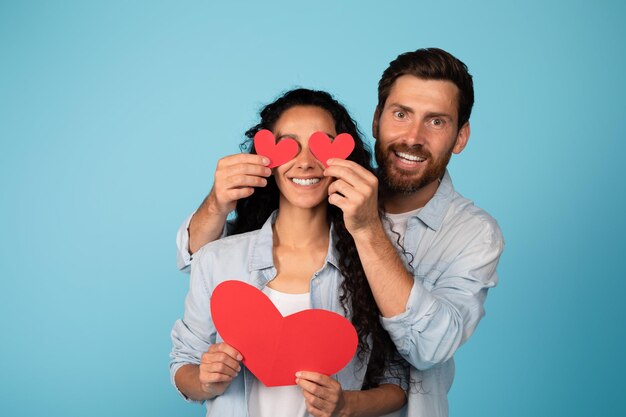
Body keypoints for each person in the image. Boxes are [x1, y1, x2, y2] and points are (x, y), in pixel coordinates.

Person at [176, 48, 504, 417]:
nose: (413, 136)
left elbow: (421, 356)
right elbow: (204, 264)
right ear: (378, 119)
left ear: (461, 136)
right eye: (401, 114)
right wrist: (217, 203)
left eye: (437, 121)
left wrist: (366, 229)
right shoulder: (261, 238)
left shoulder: (471, 234)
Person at [170, 88, 409, 417]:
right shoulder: (218, 259)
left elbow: (397, 380)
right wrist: (206, 380)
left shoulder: (372, 263)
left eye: (322, 147)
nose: (307, 162)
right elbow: (184, 365)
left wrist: (346, 404)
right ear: (264, 158)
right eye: (289, 146)